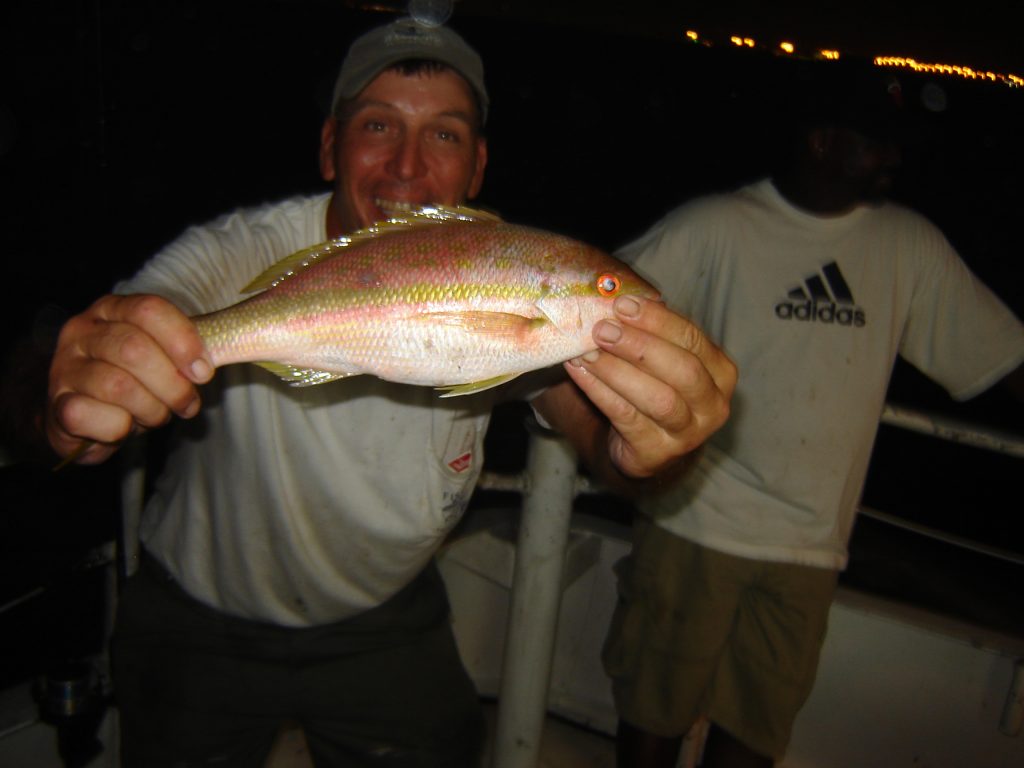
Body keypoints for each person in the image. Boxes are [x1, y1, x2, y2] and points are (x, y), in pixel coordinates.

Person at [39, 16, 735, 768]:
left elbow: (601, 437)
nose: (407, 166)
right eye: (378, 124)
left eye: (443, 134)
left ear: (477, 167)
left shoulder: (511, 272)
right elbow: (133, 324)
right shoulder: (238, 251)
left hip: (385, 618)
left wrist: (650, 447)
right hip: (203, 616)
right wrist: (80, 388)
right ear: (329, 147)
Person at [602, 64, 1024, 768]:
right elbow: (596, 316)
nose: (894, 157)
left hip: (812, 547)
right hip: (696, 525)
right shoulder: (716, 226)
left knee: (759, 730)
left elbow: (1003, 359)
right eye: (876, 142)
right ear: (823, 142)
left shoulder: (908, 246)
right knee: (654, 708)